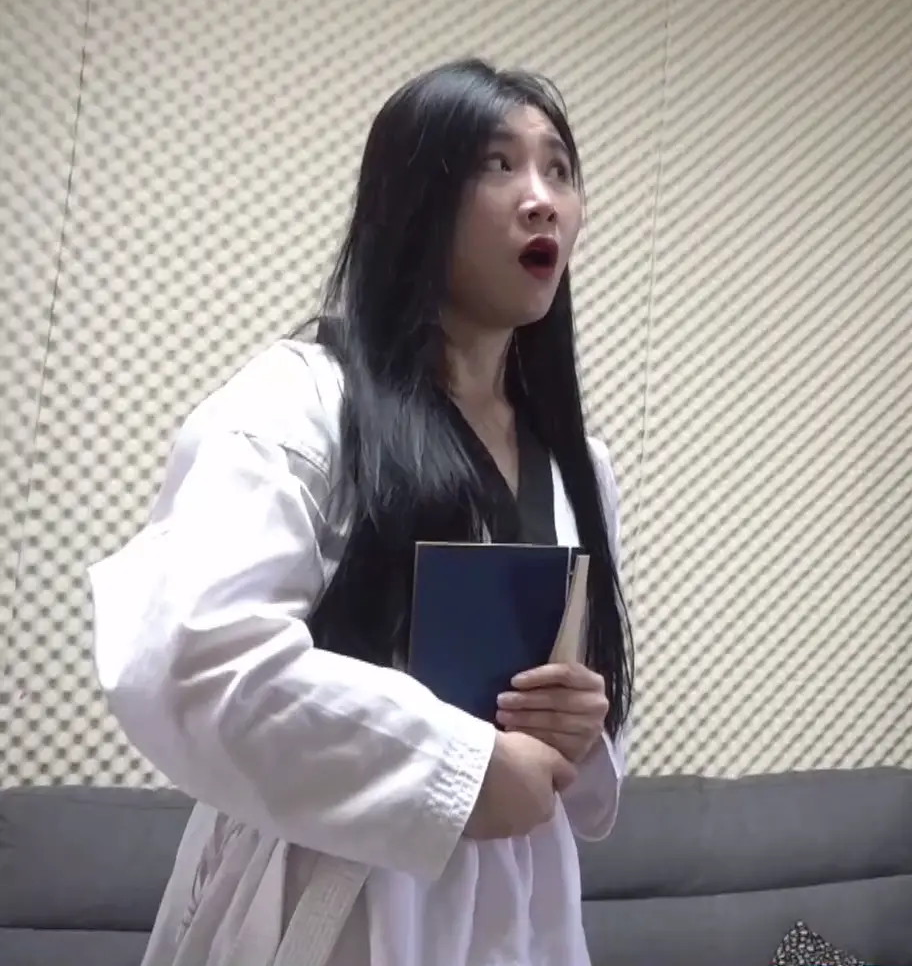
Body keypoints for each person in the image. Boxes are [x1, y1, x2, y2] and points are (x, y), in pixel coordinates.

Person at [88, 58, 633, 966]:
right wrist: (458, 771)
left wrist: (578, 725)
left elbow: (578, 730)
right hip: (326, 895)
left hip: (519, 905)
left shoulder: (584, 470)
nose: (542, 201)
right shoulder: (299, 401)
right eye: (497, 165)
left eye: (559, 169)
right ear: (413, 200)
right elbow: (195, 654)